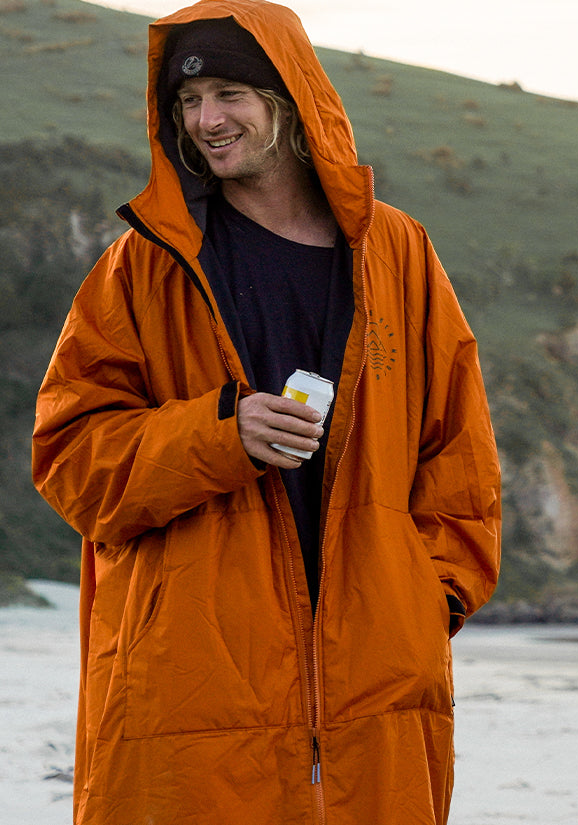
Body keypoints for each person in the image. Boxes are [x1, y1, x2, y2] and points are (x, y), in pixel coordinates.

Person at [31, 2, 500, 822]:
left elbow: (460, 459)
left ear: (288, 97)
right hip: (191, 693)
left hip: (376, 693)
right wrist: (219, 434)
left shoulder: (398, 254)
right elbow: (70, 458)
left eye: (228, 94)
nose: (206, 120)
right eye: (188, 101)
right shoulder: (144, 266)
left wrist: (426, 607)